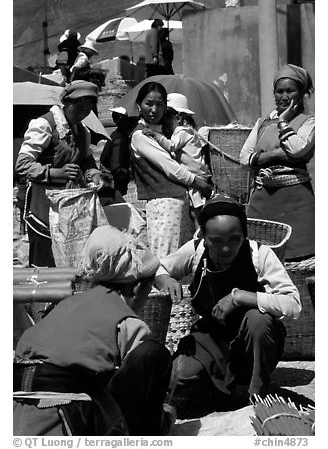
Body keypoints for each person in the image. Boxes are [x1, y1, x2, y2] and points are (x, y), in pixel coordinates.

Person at [13, 225, 176, 436]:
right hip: (64, 415)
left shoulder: (66, 305)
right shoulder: (128, 323)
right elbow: (133, 384)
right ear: (137, 289)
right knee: (154, 354)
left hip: (15, 410)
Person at [155, 193, 301, 418]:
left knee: (259, 320)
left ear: (244, 235)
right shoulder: (195, 250)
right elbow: (159, 267)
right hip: (211, 339)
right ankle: (223, 389)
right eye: (216, 241)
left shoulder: (259, 254)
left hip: (251, 341)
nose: (225, 249)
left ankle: (257, 391)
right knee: (178, 378)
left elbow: (293, 304)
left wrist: (239, 297)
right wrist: (166, 279)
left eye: (234, 239)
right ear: (204, 237)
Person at [15, 80, 103, 268]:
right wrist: (55, 173)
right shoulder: (44, 125)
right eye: (79, 108)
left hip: (70, 208)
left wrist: (93, 174)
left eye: (87, 110)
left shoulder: (82, 131)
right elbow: (22, 164)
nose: (82, 114)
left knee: (70, 260)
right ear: (66, 102)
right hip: (43, 206)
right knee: (44, 261)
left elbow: (86, 159)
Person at [240, 64, 315, 261]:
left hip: (297, 204)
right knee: (260, 260)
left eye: (290, 91)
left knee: (300, 262)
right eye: (279, 91)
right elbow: (244, 157)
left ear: (301, 93)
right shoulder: (262, 123)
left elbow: (298, 148)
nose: (284, 96)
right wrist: (275, 155)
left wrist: (283, 121)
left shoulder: (309, 122)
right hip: (262, 203)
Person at [130, 82, 213, 258]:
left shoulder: (163, 133)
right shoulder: (140, 135)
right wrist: (199, 183)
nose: (154, 109)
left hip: (178, 202)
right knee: (166, 259)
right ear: (139, 105)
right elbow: (170, 168)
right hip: (164, 204)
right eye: (149, 103)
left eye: (159, 104)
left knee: (182, 259)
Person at [144, 93, 212, 223]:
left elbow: (171, 146)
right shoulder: (186, 131)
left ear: (178, 117)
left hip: (195, 174)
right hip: (196, 173)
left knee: (197, 211)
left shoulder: (182, 131)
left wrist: (155, 135)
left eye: (167, 117)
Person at [100, 107, 138, 196]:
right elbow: (116, 167)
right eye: (133, 121)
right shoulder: (119, 140)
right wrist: (130, 174)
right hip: (113, 187)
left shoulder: (117, 136)